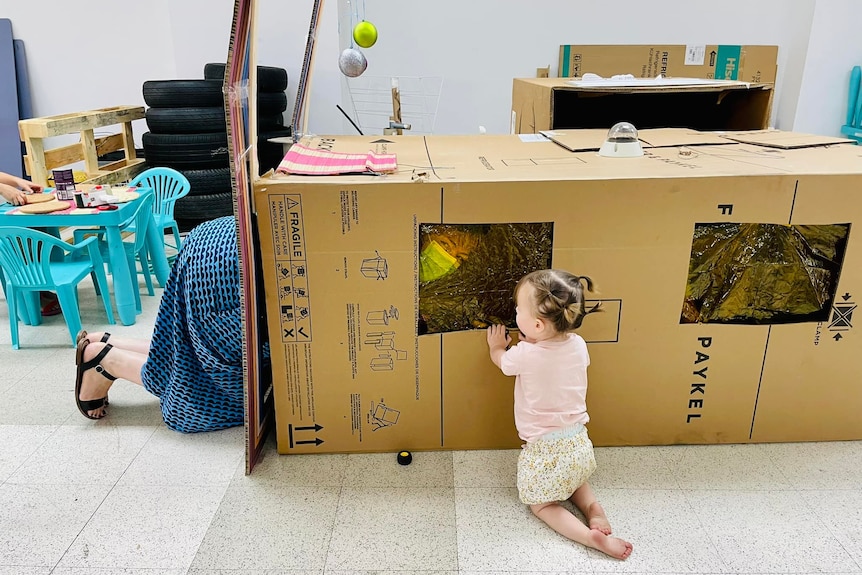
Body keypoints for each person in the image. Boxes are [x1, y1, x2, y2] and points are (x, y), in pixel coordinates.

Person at [486, 269, 633, 560]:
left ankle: (588, 538)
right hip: (579, 446)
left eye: (518, 309)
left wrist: (497, 347)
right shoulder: (578, 345)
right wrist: (532, 341)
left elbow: (503, 363)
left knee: (541, 505)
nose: (515, 311)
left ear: (537, 325)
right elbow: (553, 362)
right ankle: (594, 509)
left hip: (544, 451)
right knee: (575, 482)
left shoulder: (524, 355)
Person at [74, 215, 265, 432]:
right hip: (235, 264)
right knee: (211, 395)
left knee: (193, 347)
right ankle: (107, 360)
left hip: (222, 236)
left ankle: (109, 345)